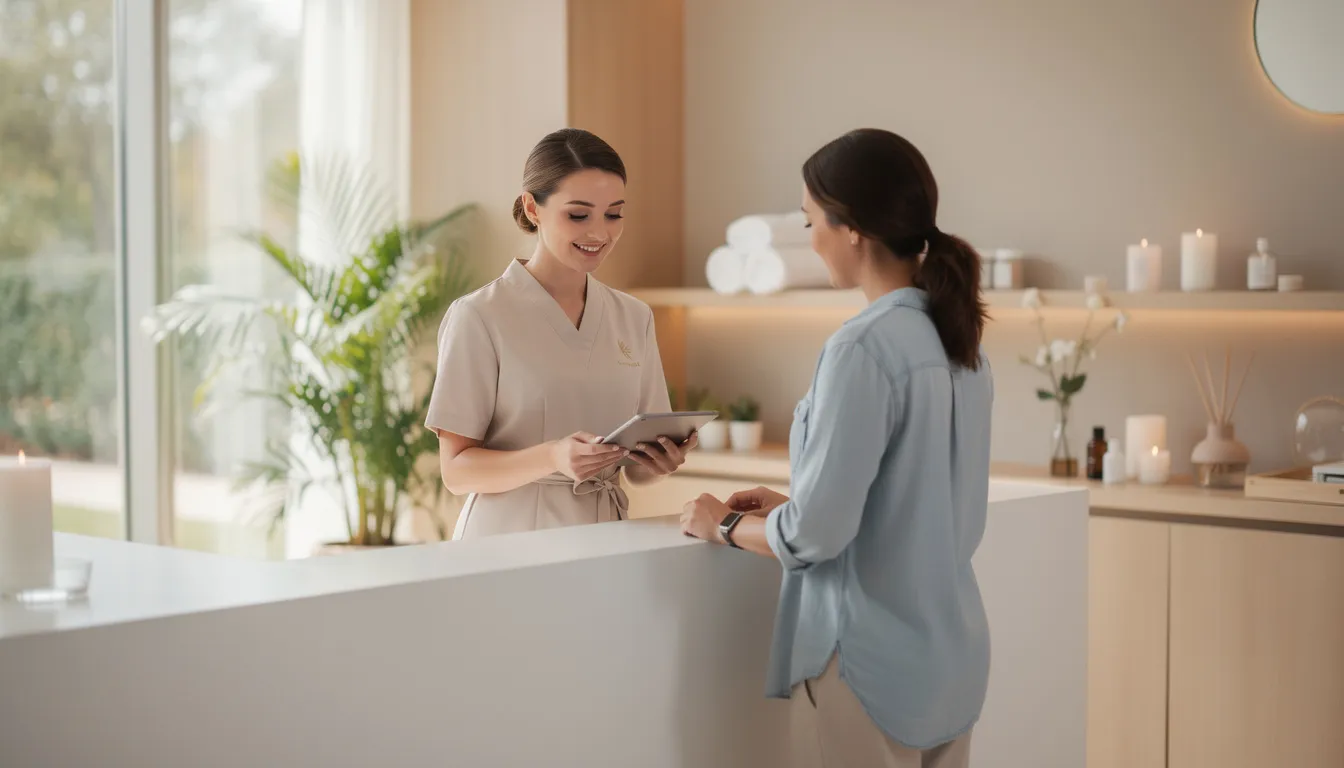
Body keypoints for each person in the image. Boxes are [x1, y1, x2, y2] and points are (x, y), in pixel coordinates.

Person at [681, 128, 993, 768]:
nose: (811, 239)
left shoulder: (862, 347)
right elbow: (911, 500)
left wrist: (726, 524)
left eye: (810, 221)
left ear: (851, 228)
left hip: (869, 666)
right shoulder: (962, 342)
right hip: (952, 658)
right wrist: (795, 503)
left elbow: (816, 538)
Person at [426, 128, 695, 539]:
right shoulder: (480, 316)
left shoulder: (634, 317)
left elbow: (637, 471)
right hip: (508, 543)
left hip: (605, 536)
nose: (600, 233)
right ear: (533, 208)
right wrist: (553, 456)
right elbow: (456, 472)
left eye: (614, 214)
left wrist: (658, 463)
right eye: (578, 214)